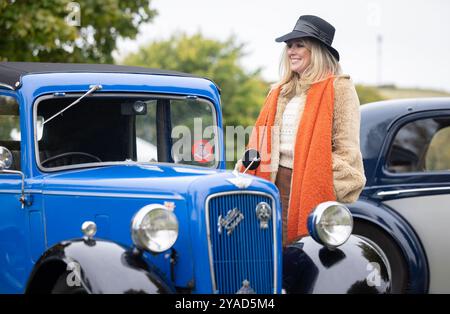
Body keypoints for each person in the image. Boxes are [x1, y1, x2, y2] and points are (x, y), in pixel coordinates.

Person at [241, 15, 366, 245]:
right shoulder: (280, 91)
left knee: (297, 259)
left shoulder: (340, 88)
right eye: (289, 46)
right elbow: (257, 144)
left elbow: (347, 153)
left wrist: (316, 182)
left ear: (317, 51)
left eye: (300, 45)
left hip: (306, 188)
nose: (291, 51)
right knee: (259, 253)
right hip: (269, 186)